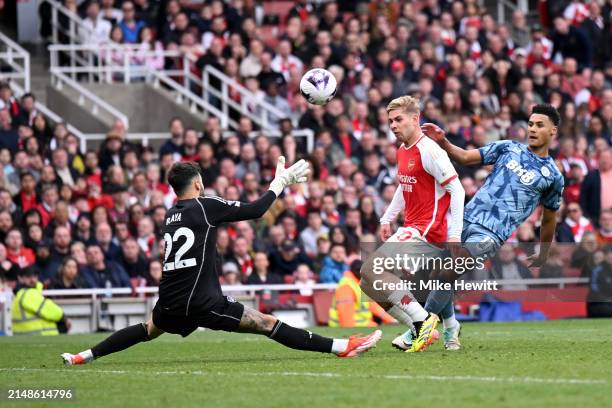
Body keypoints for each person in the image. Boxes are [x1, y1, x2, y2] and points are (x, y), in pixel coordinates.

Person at [61, 160, 381, 365]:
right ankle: (342, 346)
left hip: (171, 300)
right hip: (200, 302)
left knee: (148, 329)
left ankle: (84, 356)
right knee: (265, 323)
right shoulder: (205, 205)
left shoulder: (170, 215)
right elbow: (256, 210)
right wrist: (280, 183)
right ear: (198, 184)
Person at [417, 104, 564, 350]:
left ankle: (418, 330)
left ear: (553, 131)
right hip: (464, 219)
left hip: (492, 234)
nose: (532, 129)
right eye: (530, 124)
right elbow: (465, 157)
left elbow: (549, 218)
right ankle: (451, 327)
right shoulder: (508, 148)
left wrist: (544, 251)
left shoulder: (552, 176)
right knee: (438, 276)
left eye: (539, 125)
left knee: (450, 270)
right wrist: (443, 141)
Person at [358, 95, 465, 353]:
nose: (393, 125)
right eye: (390, 121)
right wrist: (387, 217)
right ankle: (429, 327)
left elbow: (457, 190)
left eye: (398, 119)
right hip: (412, 227)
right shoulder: (403, 150)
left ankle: (423, 322)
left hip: (429, 231)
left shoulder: (430, 150)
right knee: (368, 283)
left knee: (374, 269)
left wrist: (454, 234)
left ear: (415, 119)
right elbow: (404, 185)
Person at [329, 260, 396, 328]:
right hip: (347, 327)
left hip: (363, 324)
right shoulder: (346, 286)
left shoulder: (360, 283)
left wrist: (391, 320)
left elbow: (372, 305)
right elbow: (345, 314)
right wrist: (349, 332)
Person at [11, 267, 71, 335]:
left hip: (28, 336)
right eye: (28, 276)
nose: (32, 279)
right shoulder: (27, 293)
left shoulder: (21, 293)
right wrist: (64, 317)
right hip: (36, 336)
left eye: (35, 276)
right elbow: (49, 309)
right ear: (20, 278)